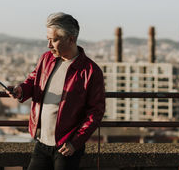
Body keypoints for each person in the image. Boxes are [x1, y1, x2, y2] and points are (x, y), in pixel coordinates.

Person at [6, 12, 105, 170]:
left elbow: (96, 112)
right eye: (48, 40)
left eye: (54, 40)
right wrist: (21, 90)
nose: (49, 45)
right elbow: (33, 80)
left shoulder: (91, 71)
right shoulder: (46, 59)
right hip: (42, 142)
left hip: (67, 147)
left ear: (71, 39)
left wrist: (75, 143)